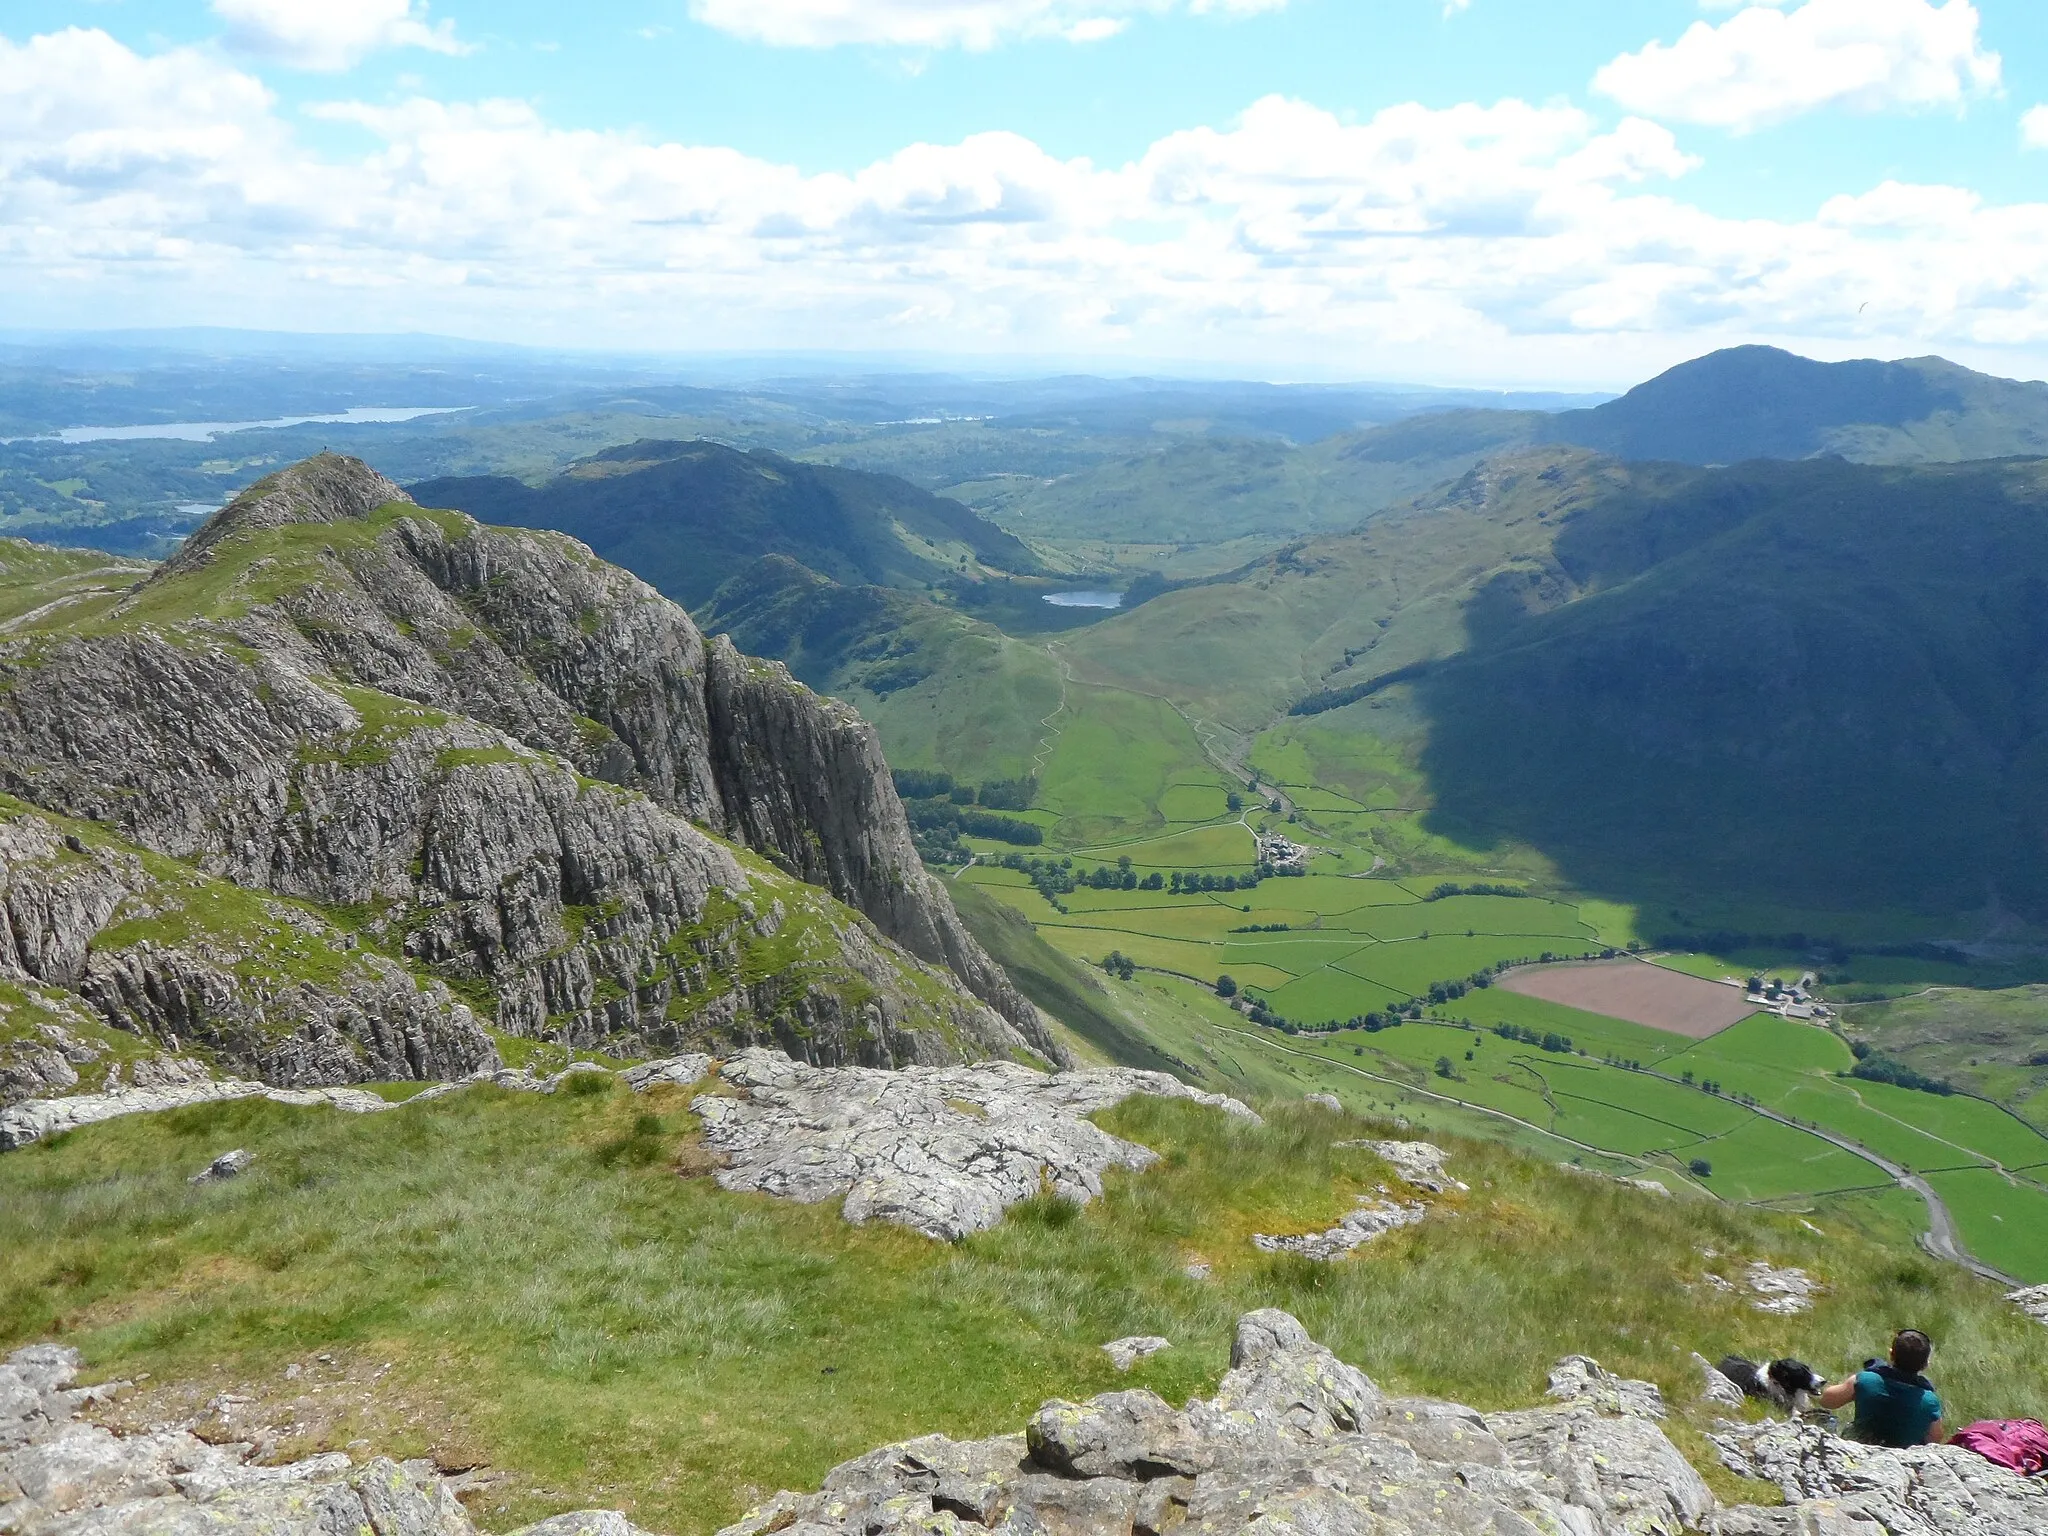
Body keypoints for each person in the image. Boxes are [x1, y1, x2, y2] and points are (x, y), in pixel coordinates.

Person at [1818, 1329, 1945, 1447]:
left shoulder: (1866, 1379)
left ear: (1891, 1354)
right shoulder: (1930, 1400)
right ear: (1925, 1365)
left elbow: (1827, 1400)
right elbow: (1934, 1439)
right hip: (1902, 1460)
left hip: (1860, 1447)